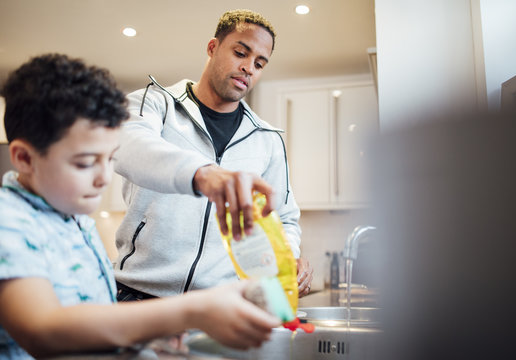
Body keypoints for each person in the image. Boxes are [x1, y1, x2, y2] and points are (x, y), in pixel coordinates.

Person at [0, 53, 279, 359]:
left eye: (109, 158)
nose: (104, 178)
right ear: (25, 158)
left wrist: (145, 338)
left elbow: (93, 322)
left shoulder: (76, 220)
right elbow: (44, 330)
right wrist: (191, 310)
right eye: (84, 163)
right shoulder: (8, 219)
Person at [113, 9, 313, 301]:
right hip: (139, 296)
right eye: (241, 53)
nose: (249, 68)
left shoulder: (267, 139)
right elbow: (127, 145)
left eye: (259, 63)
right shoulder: (156, 103)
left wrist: (289, 257)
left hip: (220, 304)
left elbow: (284, 218)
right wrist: (202, 174)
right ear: (212, 47)